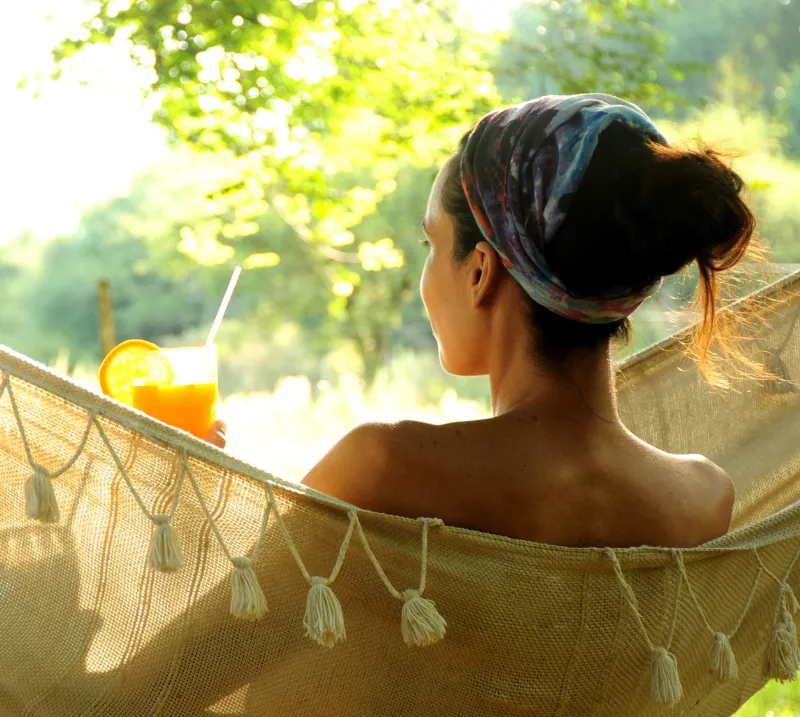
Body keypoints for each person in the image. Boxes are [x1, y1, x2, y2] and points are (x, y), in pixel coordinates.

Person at [208, 93, 753, 548]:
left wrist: (183, 486)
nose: (425, 274)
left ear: (480, 272)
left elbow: (196, 660)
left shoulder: (385, 467)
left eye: (431, 242)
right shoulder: (704, 499)